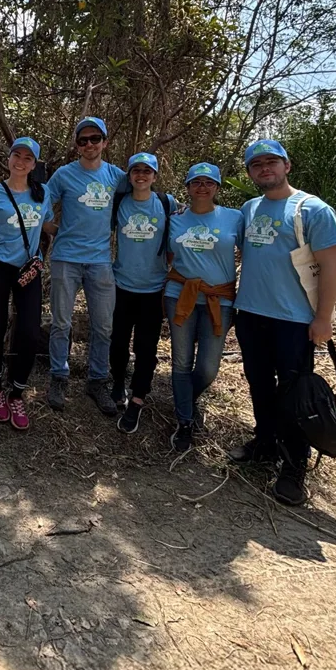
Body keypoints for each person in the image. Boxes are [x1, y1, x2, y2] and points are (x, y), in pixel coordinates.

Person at [230, 139, 336, 505]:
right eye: (257, 164)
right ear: (249, 172)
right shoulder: (249, 209)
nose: (265, 169)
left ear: (286, 165)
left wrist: (323, 318)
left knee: (295, 393)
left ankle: (294, 466)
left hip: (294, 320)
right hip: (250, 314)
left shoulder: (312, 209)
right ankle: (265, 442)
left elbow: (331, 267)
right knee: (259, 384)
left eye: (271, 162)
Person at [44, 116, 127, 415]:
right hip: (66, 258)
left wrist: (173, 204)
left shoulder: (117, 176)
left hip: (101, 261)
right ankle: (59, 376)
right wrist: (51, 228)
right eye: (83, 140)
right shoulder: (64, 175)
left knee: (104, 326)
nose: (89, 144)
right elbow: (41, 202)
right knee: (61, 323)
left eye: (95, 139)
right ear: (77, 145)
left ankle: (96, 380)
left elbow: (143, 193)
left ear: (105, 142)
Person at [161, 163, 243, 453]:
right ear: (187, 187)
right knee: (181, 362)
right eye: (196, 182)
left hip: (219, 299)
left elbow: (249, 254)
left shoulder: (235, 218)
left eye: (209, 182)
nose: (202, 187)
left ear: (218, 188)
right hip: (179, 295)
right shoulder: (175, 219)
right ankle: (185, 421)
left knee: (208, 367)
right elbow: (169, 253)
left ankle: (185, 399)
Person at [0, 137, 47, 431]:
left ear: (34, 164)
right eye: (17, 155)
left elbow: (48, 224)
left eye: (28, 158)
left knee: (28, 330)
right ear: (9, 157)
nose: (21, 162)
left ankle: (16, 393)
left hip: (28, 268)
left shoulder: (43, 193)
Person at [110, 153, 175, 434]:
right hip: (121, 284)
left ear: (155, 176)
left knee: (146, 348)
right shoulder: (119, 203)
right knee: (118, 342)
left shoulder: (166, 203)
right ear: (129, 175)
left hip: (153, 288)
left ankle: (137, 399)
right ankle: (116, 383)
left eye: (147, 171)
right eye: (136, 170)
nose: (141, 175)